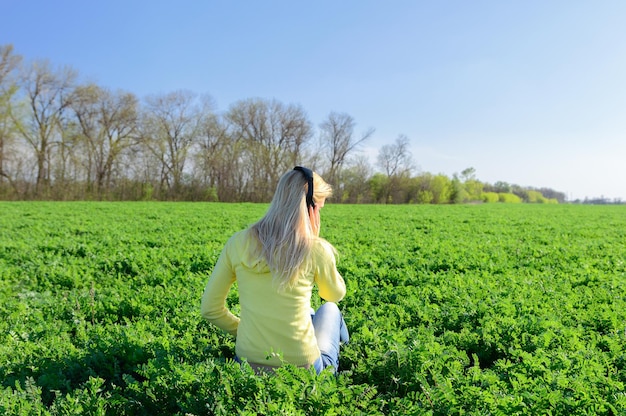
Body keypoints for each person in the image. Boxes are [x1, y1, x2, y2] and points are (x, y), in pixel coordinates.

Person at [201, 167, 349, 374]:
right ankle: (346, 356)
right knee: (330, 310)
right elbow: (332, 294)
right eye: (320, 209)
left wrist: (244, 331)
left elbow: (209, 309)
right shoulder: (316, 249)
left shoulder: (238, 243)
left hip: (247, 366)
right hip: (304, 372)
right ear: (311, 208)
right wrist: (320, 248)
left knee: (308, 312)